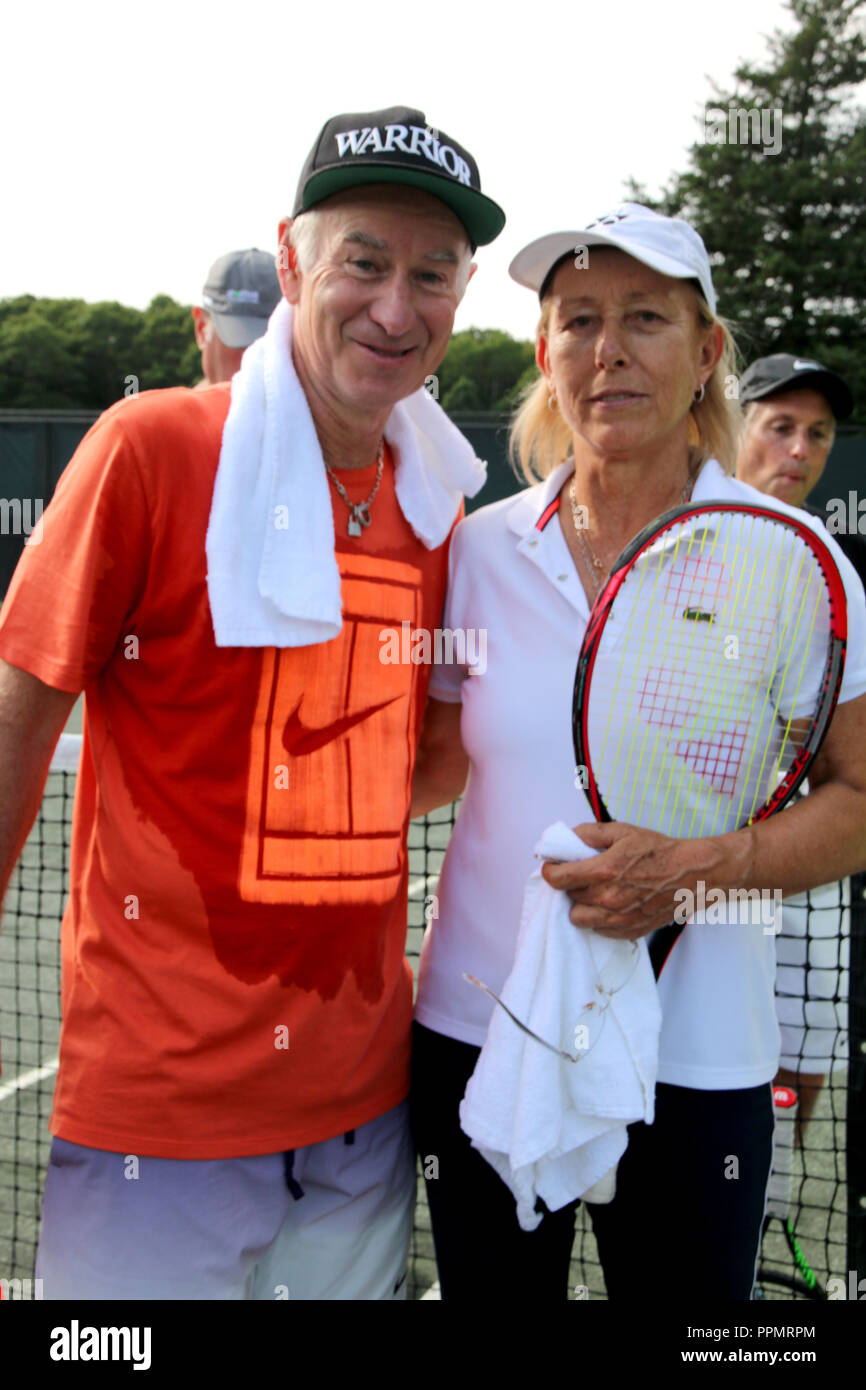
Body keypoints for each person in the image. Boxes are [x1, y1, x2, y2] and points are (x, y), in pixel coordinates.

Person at [0, 104, 504, 1300]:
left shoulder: (438, 509)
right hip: (155, 1125)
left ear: (460, 296)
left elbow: (429, 754)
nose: (396, 308)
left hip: (361, 1116)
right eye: (363, 263)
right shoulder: (148, 449)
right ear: (292, 263)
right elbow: (19, 721)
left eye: (431, 275)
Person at [409, 203, 866, 1301]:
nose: (605, 348)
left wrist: (690, 872)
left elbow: (858, 796)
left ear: (707, 354)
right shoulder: (472, 551)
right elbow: (423, 765)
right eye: (576, 321)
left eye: (644, 319)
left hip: (695, 1063)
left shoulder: (795, 563)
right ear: (544, 353)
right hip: (477, 1029)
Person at [737, 353, 860, 1139]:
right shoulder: (684, 534)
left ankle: (766, 1206)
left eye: (817, 434)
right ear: (733, 427)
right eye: (780, 427)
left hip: (806, 872)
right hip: (698, 877)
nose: (801, 450)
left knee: (800, 1060)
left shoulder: (833, 563)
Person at [191, 248, 282, 386]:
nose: (257, 359)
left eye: (275, 344)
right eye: (240, 339)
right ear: (201, 329)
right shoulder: (170, 407)